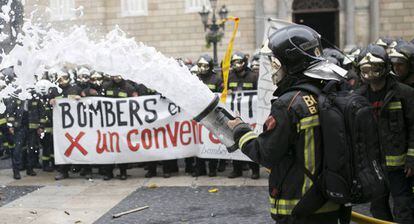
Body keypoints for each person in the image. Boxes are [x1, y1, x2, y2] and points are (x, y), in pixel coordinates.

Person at [227, 24, 347, 223]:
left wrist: (240, 130)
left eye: (276, 63)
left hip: (299, 206)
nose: (273, 69)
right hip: (332, 200)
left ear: (292, 62)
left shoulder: (289, 104)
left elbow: (266, 153)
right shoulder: (332, 90)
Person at [355, 44, 414, 224]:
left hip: (400, 166)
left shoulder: (404, 93)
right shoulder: (358, 97)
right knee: (378, 208)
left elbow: (413, 127)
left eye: (375, 68)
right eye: (366, 70)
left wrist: (412, 158)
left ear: (386, 67)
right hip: (373, 166)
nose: (371, 74)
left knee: (403, 207)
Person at [227, 51, 260, 179]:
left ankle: (255, 170)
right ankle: (237, 170)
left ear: (244, 63)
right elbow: (224, 92)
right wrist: (227, 91)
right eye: (234, 63)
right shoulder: (229, 77)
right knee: (235, 139)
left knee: (252, 140)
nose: (237, 65)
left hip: (250, 114)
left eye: (239, 62)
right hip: (235, 114)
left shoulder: (253, 76)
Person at [102, 74, 137, 180]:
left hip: (123, 123)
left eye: (118, 75)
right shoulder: (106, 86)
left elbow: (135, 104)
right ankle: (108, 172)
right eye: (114, 75)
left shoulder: (129, 88)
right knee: (108, 148)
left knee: (122, 148)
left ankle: (123, 172)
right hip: (109, 123)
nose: (116, 78)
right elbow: (99, 98)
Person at [51, 70, 83, 180]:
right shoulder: (54, 90)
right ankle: (63, 171)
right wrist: (50, 102)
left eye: (64, 77)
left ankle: (84, 168)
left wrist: (81, 98)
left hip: (77, 124)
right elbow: (45, 104)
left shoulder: (76, 89)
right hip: (61, 126)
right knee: (63, 147)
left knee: (81, 146)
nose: (62, 81)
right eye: (59, 78)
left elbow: (88, 102)